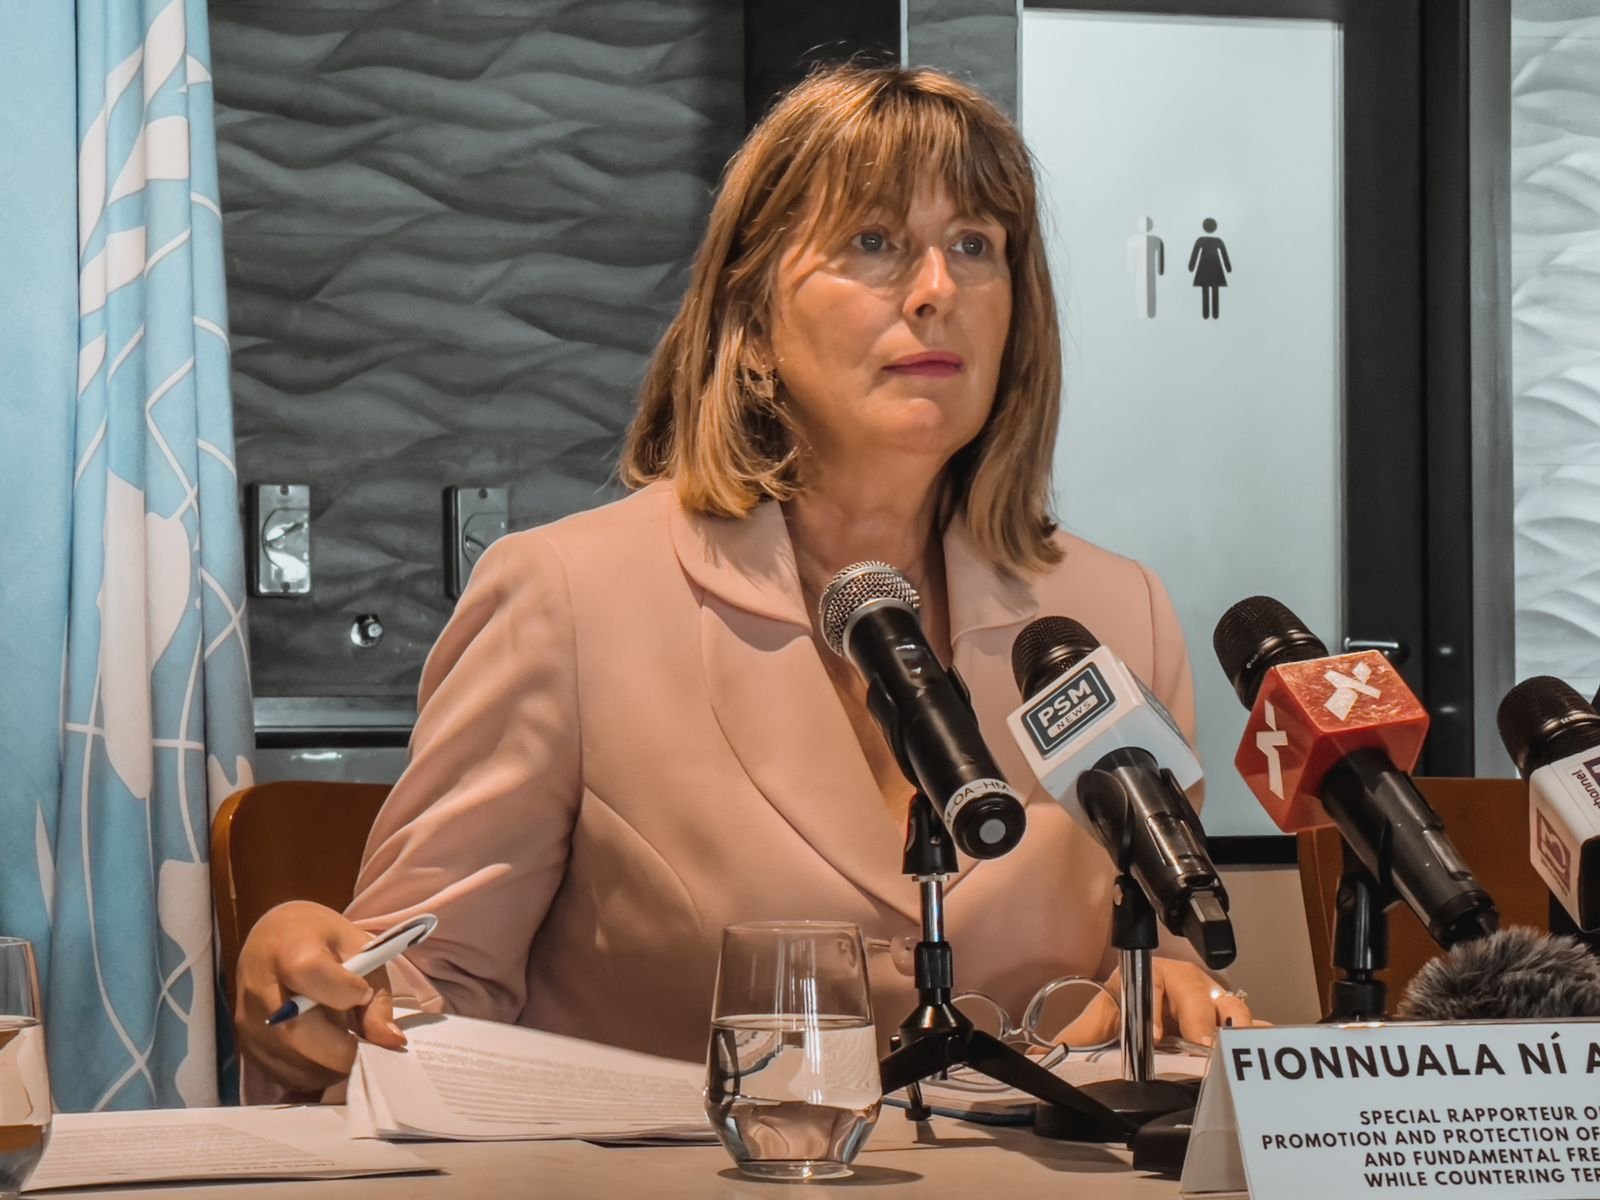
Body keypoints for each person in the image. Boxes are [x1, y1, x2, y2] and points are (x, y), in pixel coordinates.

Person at [235, 64, 1253, 1097]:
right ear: (752, 320)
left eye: (973, 245)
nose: (936, 290)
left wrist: (1163, 991)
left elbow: (1158, 945)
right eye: (873, 242)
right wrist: (316, 978)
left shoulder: (1113, 615)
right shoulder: (565, 599)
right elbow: (426, 996)